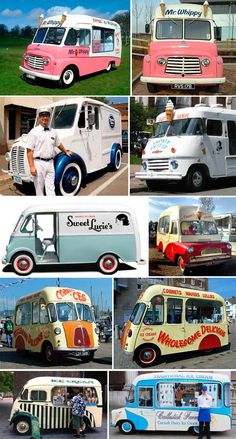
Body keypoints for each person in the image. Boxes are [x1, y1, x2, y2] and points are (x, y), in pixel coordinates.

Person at [27, 106, 73, 196]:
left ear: (49, 117)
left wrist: (66, 152)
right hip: (38, 163)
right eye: (42, 115)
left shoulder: (53, 131)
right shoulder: (34, 132)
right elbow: (29, 151)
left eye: (47, 115)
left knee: (51, 189)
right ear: (39, 118)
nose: (45, 118)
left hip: (50, 163)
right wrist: (32, 167)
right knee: (39, 190)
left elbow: (58, 144)